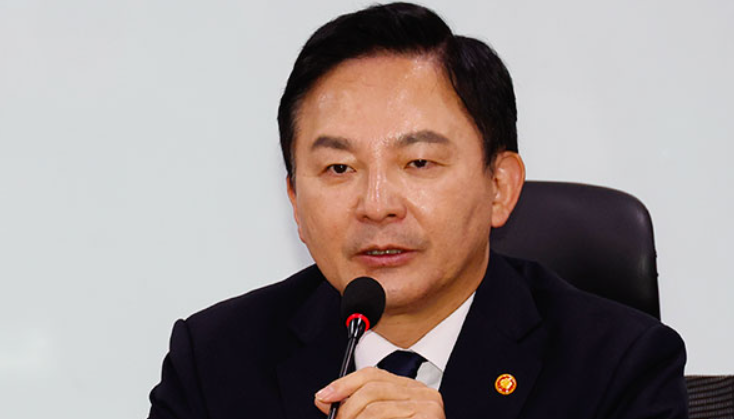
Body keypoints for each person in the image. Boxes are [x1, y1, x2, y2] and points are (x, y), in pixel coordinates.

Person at [148, 3, 688, 418]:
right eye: (339, 168)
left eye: (419, 162)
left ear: (499, 187)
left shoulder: (619, 368)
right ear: (295, 201)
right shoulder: (214, 362)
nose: (376, 206)